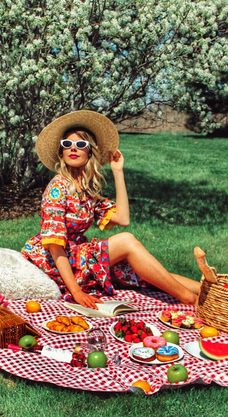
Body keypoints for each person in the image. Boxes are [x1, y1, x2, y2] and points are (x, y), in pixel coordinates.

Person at [21, 110, 201, 309]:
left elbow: (122, 218)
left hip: (79, 256)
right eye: (67, 144)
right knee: (127, 241)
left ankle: (214, 290)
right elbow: (55, 247)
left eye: (81, 144)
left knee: (145, 272)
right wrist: (77, 292)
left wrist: (118, 172)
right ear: (61, 152)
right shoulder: (57, 188)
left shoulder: (85, 187)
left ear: (89, 152)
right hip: (57, 262)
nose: (73, 149)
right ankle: (189, 299)